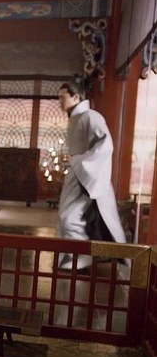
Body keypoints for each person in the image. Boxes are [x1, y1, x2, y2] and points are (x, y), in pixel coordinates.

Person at [56, 76, 126, 271]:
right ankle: (76, 254)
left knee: (69, 217)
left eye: (62, 97)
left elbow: (105, 146)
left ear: (76, 97)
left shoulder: (91, 117)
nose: (60, 102)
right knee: (66, 217)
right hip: (78, 173)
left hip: (87, 175)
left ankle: (83, 254)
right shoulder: (75, 118)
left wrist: (81, 163)